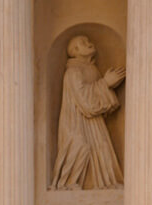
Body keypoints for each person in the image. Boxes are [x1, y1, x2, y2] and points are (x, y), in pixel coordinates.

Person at [51, 34, 125, 190]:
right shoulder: (73, 72)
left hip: (94, 124)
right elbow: (85, 103)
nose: (89, 43)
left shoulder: (92, 69)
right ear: (75, 51)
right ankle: (69, 184)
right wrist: (105, 83)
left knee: (102, 147)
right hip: (77, 123)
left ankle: (103, 183)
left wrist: (106, 84)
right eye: (83, 43)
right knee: (81, 147)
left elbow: (99, 104)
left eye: (88, 40)